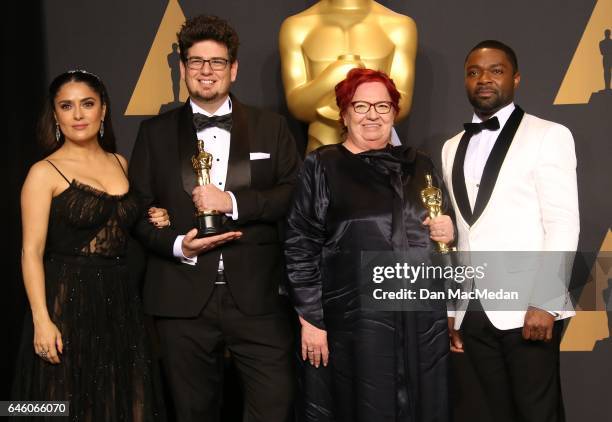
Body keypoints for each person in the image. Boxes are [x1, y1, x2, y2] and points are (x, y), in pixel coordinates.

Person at [128, 15, 300, 422]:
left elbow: (293, 194)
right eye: (196, 61)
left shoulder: (271, 127)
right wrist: (175, 244)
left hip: (257, 297)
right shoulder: (154, 133)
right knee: (193, 412)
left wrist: (233, 202)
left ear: (233, 69)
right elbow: (136, 209)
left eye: (217, 62)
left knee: (274, 406)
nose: (206, 71)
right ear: (183, 68)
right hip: (182, 298)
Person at [285, 68, 454, 422]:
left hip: (418, 320)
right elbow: (301, 244)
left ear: (394, 112)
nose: (372, 115)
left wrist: (447, 230)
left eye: (382, 105)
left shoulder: (419, 164)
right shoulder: (323, 165)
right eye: (361, 106)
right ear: (343, 113)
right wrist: (311, 320)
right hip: (352, 324)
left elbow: (440, 230)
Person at [13, 70, 170, 421]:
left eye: (87, 104)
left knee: (127, 402)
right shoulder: (44, 172)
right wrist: (42, 319)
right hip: (67, 301)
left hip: (121, 302)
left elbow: (124, 223)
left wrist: (152, 215)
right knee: (65, 404)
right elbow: (31, 252)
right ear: (55, 116)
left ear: (103, 110)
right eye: (66, 106)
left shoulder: (120, 163)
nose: (78, 114)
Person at [441, 40, 579, 422]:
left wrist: (544, 301)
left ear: (516, 78)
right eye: (474, 72)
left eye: (495, 70)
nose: (484, 79)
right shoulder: (452, 146)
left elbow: (563, 223)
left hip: (528, 309)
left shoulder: (549, 135)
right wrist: (455, 307)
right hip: (475, 310)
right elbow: (466, 235)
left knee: (537, 414)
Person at [279, 0, 417, 152]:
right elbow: (298, 107)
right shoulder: (297, 27)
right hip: (322, 148)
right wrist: (334, 76)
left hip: (379, 154)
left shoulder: (399, 26)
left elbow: (401, 104)